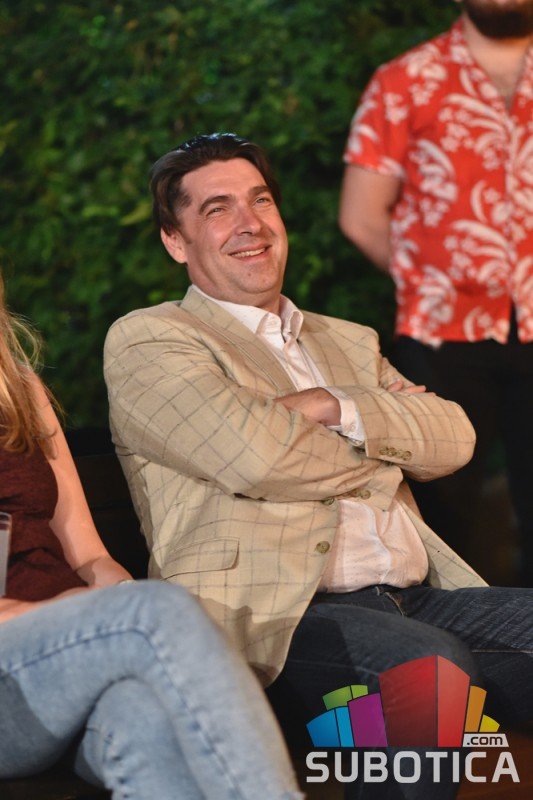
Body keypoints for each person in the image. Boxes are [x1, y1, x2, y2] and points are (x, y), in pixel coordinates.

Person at [104, 133, 533, 799]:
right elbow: (258, 456)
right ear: (175, 241)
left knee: (435, 659)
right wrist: (385, 439)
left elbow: (454, 438)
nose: (249, 223)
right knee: (427, 674)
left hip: (416, 599)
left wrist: (332, 406)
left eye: (260, 201)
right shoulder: (153, 340)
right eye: (217, 209)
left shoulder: (348, 341)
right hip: (274, 617)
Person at [0, 271, 302, 800]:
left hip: (74, 656)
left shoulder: (17, 387)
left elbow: (88, 556)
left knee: (144, 717)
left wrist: (113, 603)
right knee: (156, 609)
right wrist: (114, 617)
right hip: (15, 682)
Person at [338, 0, 533, 583]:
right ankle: (453, 639)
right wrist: (432, 282)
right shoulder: (405, 80)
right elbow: (361, 216)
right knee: (446, 516)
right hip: (442, 335)